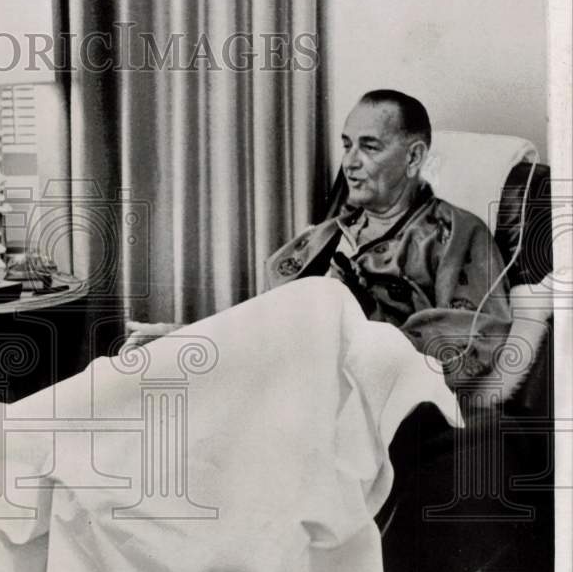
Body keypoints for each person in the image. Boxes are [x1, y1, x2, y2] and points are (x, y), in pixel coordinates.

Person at [127, 90, 512, 388]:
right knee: (128, 376)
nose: (350, 162)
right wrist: (194, 337)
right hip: (279, 373)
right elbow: (269, 323)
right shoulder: (327, 235)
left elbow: (472, 339)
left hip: (357, 393)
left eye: (369, 146)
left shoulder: (456, 233)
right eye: (347, 145)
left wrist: (346, 340)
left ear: (414, 158)